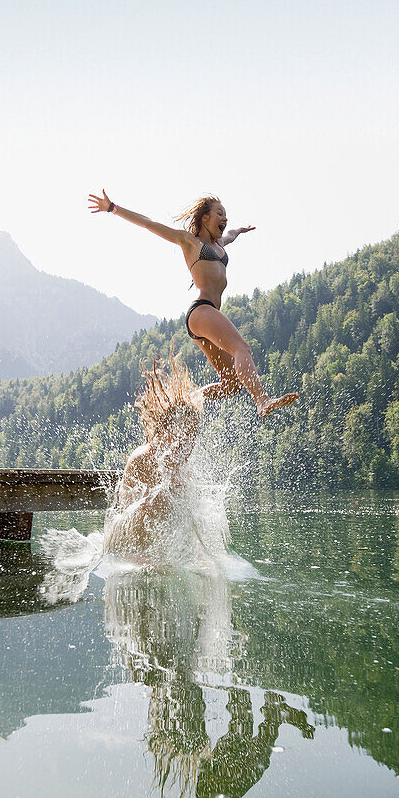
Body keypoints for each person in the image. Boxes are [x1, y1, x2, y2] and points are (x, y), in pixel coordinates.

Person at [88, 190, 298, 417]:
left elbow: (231, 235)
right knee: (242, 348)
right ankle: (262, 400)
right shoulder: (189, 241)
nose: (225, 219)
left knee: (232, 385)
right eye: (220, 213)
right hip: (201, 310)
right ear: (205, 218)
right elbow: (149, 223)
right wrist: (113, 208)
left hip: (206, 318)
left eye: (226, 215)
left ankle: (188, 401)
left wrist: (239, 231)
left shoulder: (220, 243)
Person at [103, 353, 203, 558]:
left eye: (192, 436)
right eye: (183, 435)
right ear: (165, 432)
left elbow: (190, 526)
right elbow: (132, 531)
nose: (188, 444)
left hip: (156, 553)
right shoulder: (143, 460)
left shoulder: (183, 468)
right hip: (127, 551)